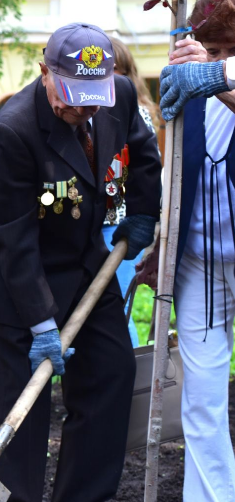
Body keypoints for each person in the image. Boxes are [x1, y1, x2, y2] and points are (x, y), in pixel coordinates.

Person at [0, 23, 162, 502]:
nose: (83, 111)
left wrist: (144, 211)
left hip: (84, 265)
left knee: (112, 371)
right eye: (72, 99)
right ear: (45, 73)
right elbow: (10, 237)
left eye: (91, 100)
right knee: (21, 404)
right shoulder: (12, 132)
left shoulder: (116, 96)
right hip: (14, 282)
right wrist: (41, 322)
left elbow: (144, 153)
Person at [142, 0, 235, 502]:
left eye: (228, 49)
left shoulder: (212, 76)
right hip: (201, 260)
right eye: (215, 47)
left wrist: (214, 72)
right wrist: (162, 246)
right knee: (201, 397)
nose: (220, 58)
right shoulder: (186, 87)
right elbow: (173, 175)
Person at [100, 37, 163, 347]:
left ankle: (131, 375)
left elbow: (148, 167)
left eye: (117, 71)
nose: (110, 78)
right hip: (87, 219)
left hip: (120, 224)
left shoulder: (137, 113)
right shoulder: (87, 111)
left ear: (128, 75)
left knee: (117, 304)